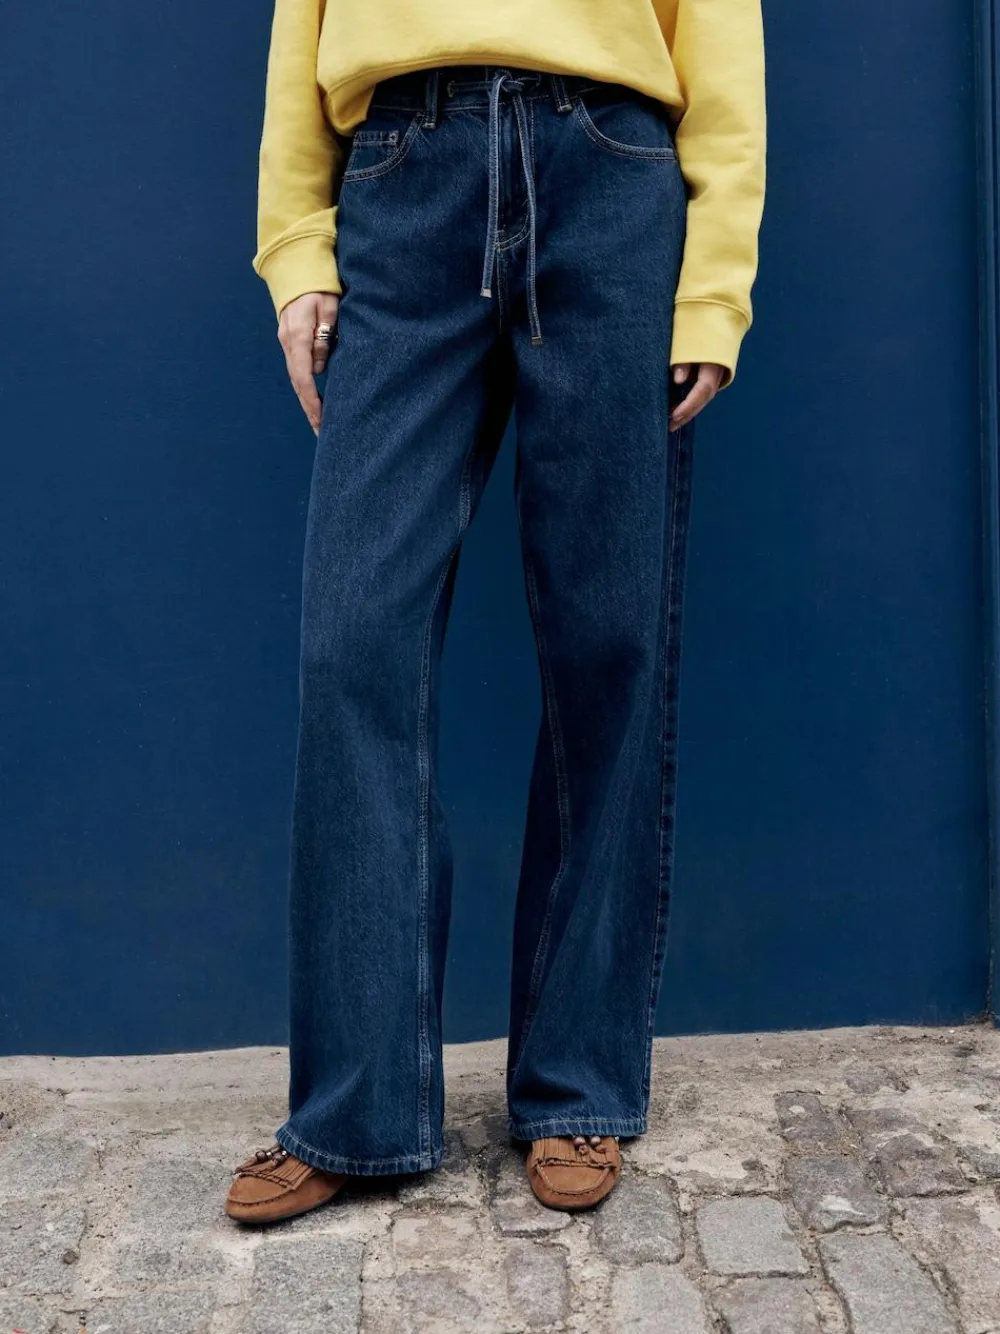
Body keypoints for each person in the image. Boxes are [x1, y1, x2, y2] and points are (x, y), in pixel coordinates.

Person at [225, 0, 766, 1224]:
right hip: (403, 174)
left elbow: (719, 36)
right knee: (353, 638)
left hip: (611, 176)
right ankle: (356, 1108)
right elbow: (300, 29)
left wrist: (712, 283)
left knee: (605, 642)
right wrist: (298, 249)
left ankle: (577, 1081)